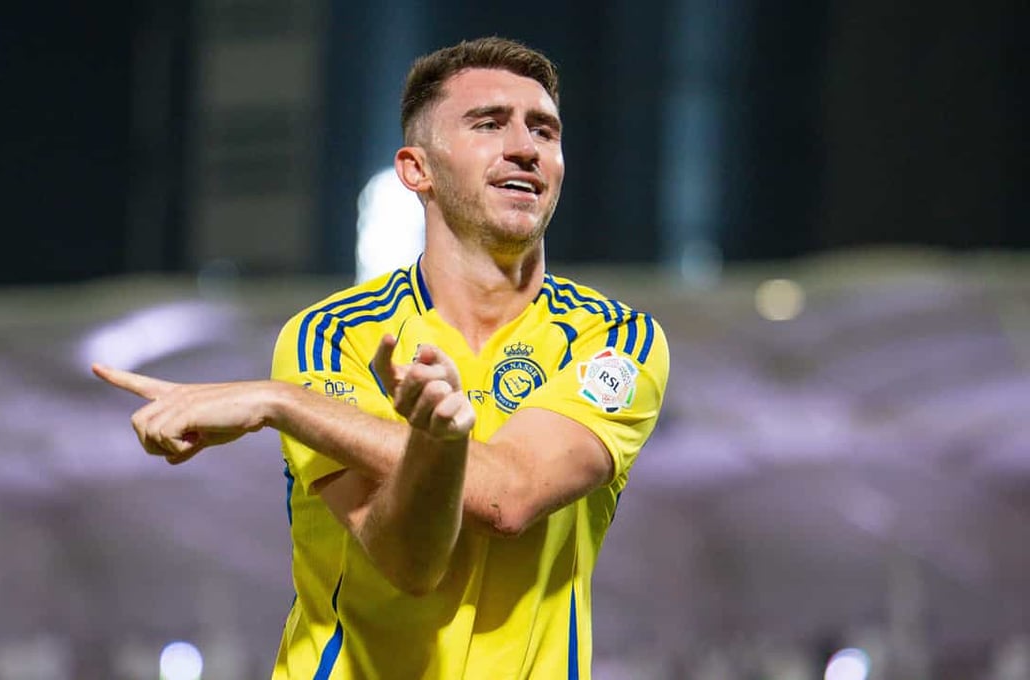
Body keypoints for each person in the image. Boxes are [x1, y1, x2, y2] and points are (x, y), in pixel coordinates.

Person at [94, 36, 669, 680]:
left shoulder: (614, 338)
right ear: (416, 170)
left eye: (544, 130)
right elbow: (408, 565)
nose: (524, 147)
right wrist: (429, 444)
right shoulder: (331, 335)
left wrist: (282, 403)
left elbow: (510, 499)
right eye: (488, 124)